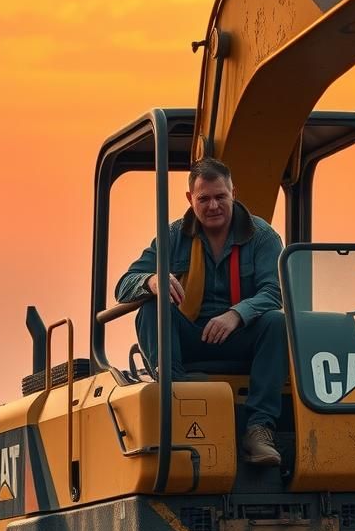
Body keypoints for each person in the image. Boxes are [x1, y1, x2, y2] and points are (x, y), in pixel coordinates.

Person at [115, 157, 287, 466]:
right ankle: (178, 404)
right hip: (189, 337)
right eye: (204, 198)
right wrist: (152, 280)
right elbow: (124, 285)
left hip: (241, 337)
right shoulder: (172, 236)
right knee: (151, 309)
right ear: (189, 199)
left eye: (220, 196)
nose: (213, 206)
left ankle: (259, 429)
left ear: (234, 192)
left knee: (277, 322)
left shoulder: (262, 236)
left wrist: (236, 314)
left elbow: (274, 291)